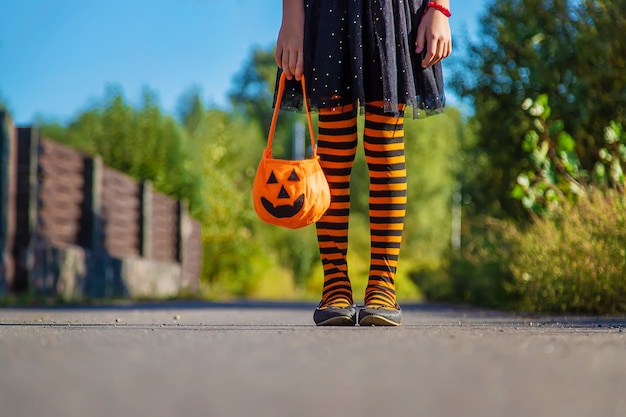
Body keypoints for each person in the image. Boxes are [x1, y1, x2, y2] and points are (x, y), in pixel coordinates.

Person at [275, 0, 452, 326]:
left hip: (393, 9)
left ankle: (383, 285)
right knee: (333, 151)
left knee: (385, 143)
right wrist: (291, 14)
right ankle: (335, 286)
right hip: (329, 9)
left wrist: (439, 7)